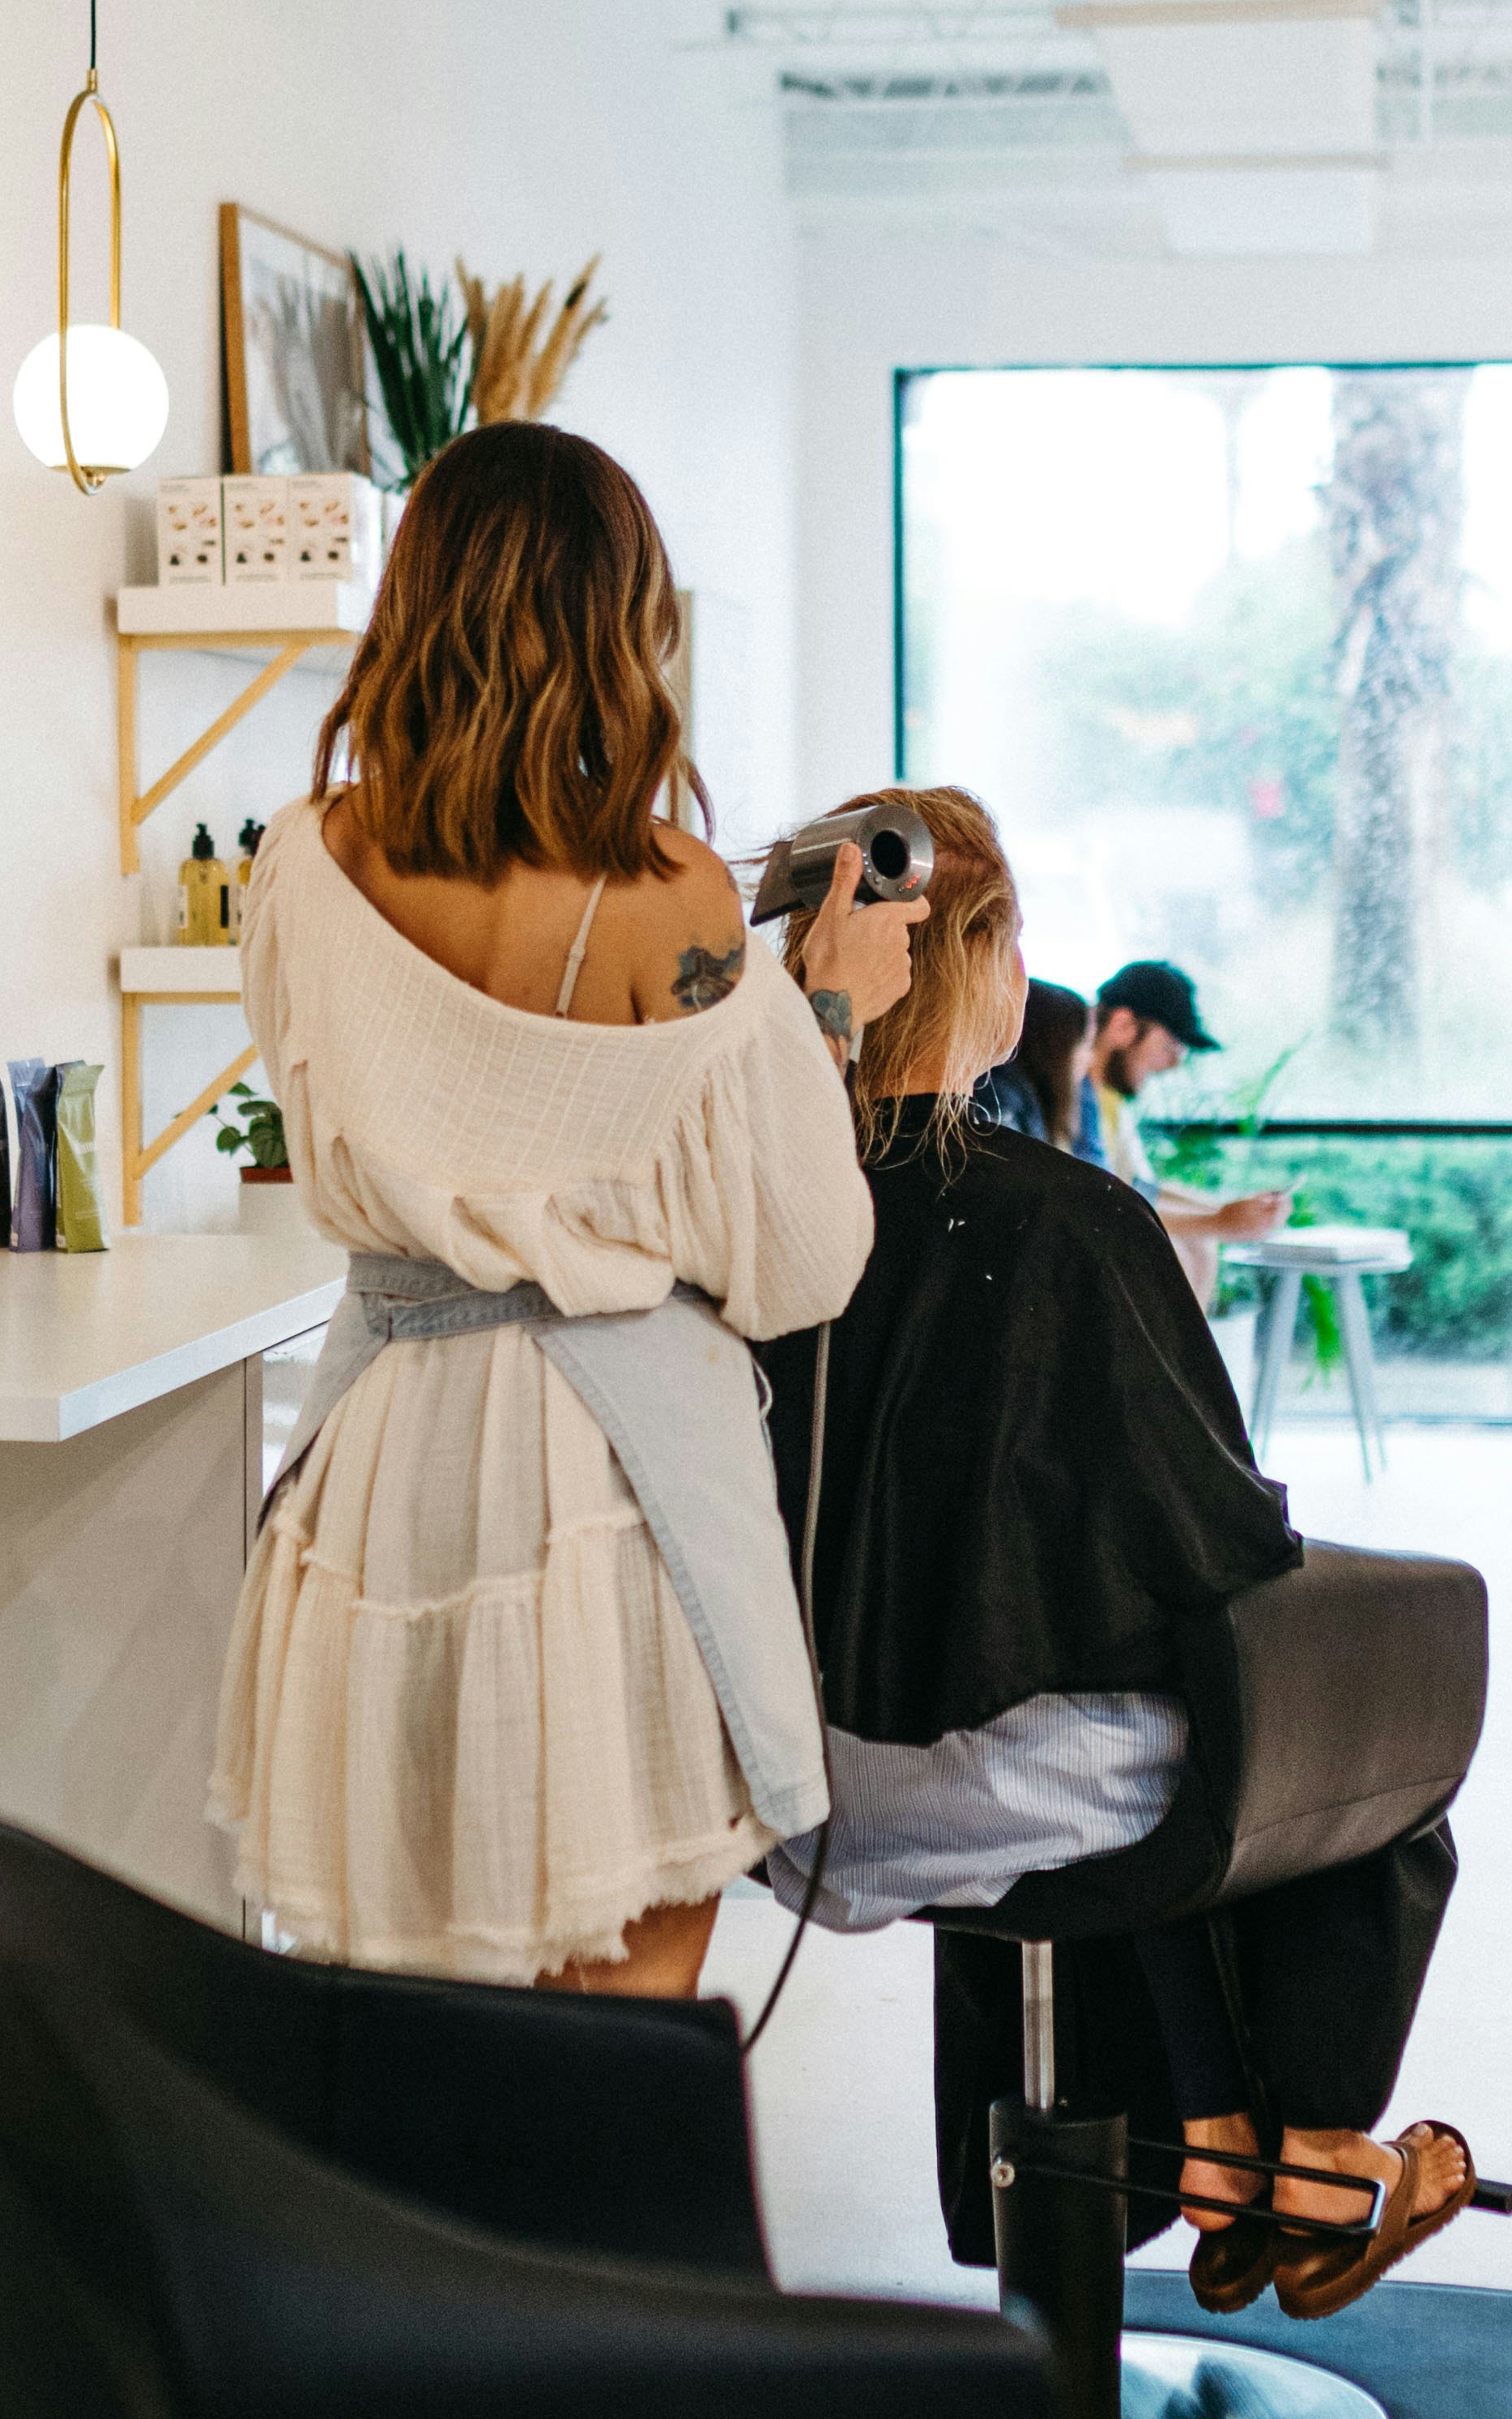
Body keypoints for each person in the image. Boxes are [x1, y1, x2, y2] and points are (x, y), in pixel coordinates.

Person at [208, 422, 922, 2001]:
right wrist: (820, 1018)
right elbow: (801, 1254)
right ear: (624, 624)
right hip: (604, 1475)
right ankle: (594, 2253)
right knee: (621, 2000)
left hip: (386, 1448)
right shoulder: (669, 891)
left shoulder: (299, 865)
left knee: (403, 1982)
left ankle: (420, 2251)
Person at [763, 786, 1472, 2322]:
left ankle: (1217, 2145)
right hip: (998, 1782)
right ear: (994, 964)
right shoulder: (1070, 1220)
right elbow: (1213, 1529)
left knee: (1116, 1691)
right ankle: (1311, 2157)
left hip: (790, 1782)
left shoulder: (754, 1206)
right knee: (1306, 1727)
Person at [1087, 956, 1288, 1309]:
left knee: (1199, 1243)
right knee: (1180, 1247)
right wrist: (1218, 1219)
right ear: (1122, 1025)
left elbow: (1137, 1189)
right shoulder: (1073, 1099)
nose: (1175, 1064)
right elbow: (1101, 1206)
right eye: (1169, 1046)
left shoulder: (1109, 1099)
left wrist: (1229, 1213)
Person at [978, 975, 1097, 1154]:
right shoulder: (1002, 1105)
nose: (1090, 1058)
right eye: (1084, 1044)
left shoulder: (1015, 1099)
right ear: (1057, 1048)